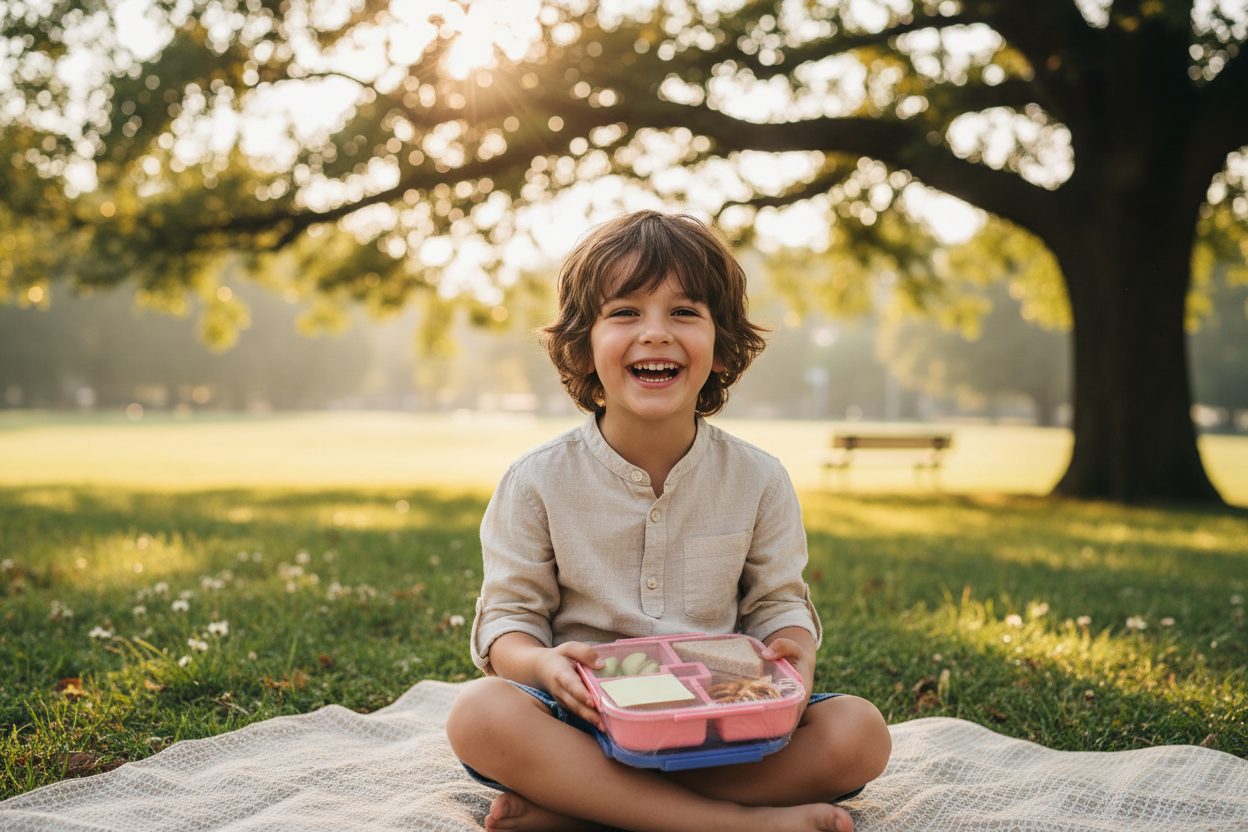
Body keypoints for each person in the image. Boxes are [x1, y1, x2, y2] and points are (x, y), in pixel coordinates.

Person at [446, 210, 891, 832]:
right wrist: (544, 667)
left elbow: (778, 605)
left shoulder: (760, 478)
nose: (655, 333)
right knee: (478, 714)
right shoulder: (535, 481)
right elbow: (507, 625)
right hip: (586, 722)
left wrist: (797, 652)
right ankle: (733, 824)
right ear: (583, 342)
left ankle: (592, 812)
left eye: (684, 312)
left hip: (725, 725)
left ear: (722, 341)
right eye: (624, 312)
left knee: (859, 734)